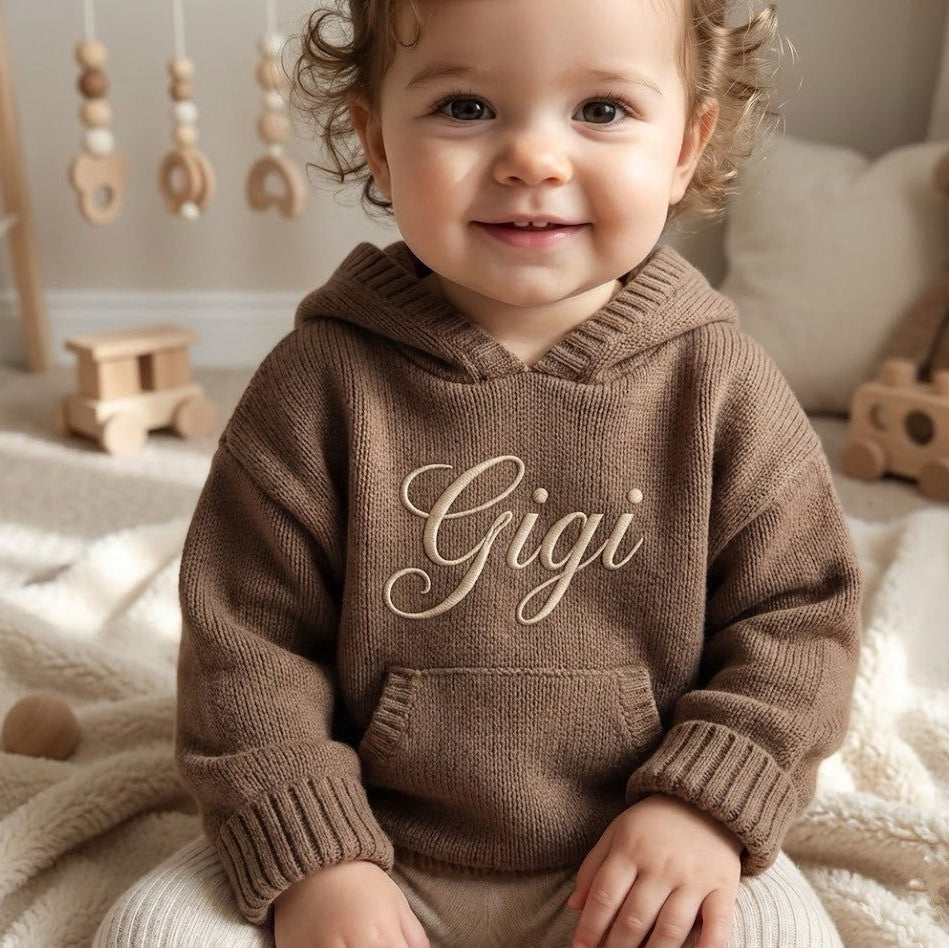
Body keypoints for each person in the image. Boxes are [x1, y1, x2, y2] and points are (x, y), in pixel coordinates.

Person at [94, 0, 863, 945]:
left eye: (604, 110)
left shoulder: (719, 385)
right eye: (464, 107)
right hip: (370, 842)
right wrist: (317, 861)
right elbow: (243, 645)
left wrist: (704, 807)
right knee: (148, 932)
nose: (532, 160)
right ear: (374, 142)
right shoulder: (319, 384)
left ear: (685, 147)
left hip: (637, 855)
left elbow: (800, 619)